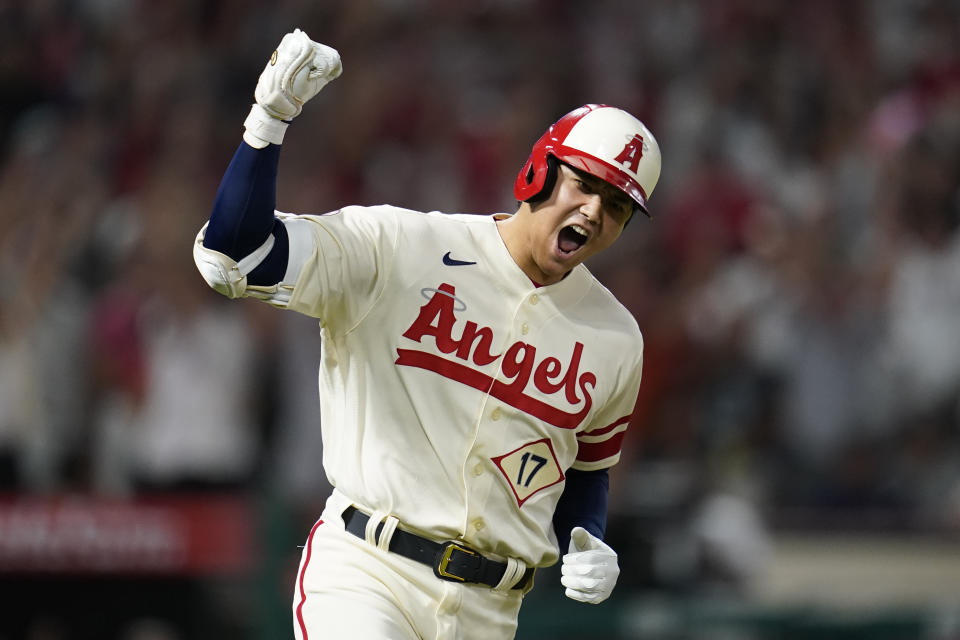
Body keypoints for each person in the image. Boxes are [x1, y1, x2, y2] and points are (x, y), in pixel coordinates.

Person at [193, 28, 661, 640]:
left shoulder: (615, 338)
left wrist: (591, 538)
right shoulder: (402, 247)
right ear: (538, 171)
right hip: (368, 573)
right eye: (584, 183)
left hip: (491, 610)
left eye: (617, 205)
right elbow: (237, 256)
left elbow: (587, 466)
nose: (595, 211)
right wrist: (268, 122)